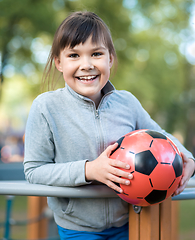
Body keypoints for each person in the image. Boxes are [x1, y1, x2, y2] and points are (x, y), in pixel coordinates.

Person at [24, 11, 195, 240]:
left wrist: (187, 158)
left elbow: (161, 136)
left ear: (110, 59)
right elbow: (35, 170)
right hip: (78, 228)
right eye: (74, 55)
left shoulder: (127, 102)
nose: (86, 65)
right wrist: (89, 170)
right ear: (59, 63)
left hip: (131, 221)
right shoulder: (46, 107)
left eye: (96, 53)